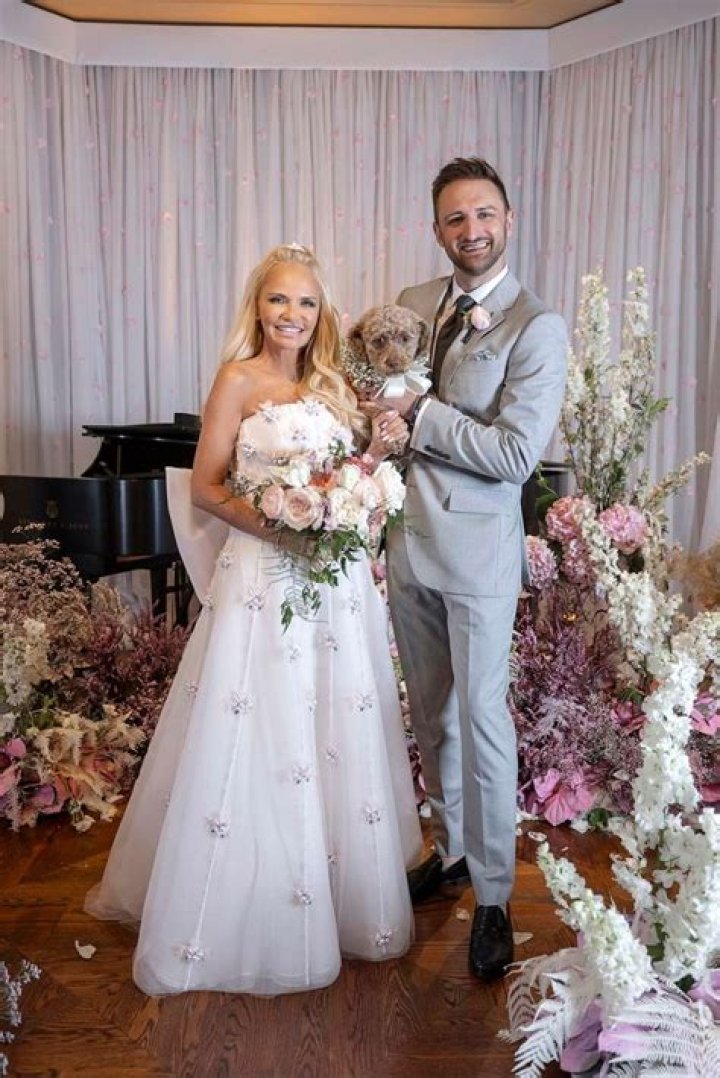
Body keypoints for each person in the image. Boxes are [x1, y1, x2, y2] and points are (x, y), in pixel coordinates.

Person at [85, 243, 423, 996]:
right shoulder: (236, 379)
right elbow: (206, 488)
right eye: (278, 300)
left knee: (331, 725)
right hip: (266, 577)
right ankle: (244, 901)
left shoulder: (336, 385)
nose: (291, 315)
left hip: (334, 584)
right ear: (258, 308)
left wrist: (374, 461)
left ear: (320, 313)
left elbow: (346, 478)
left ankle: (337, 897)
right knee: (262, 722)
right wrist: (284, 532)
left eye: (305, 302)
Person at [384, 158, 568, 981]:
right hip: (406, 544)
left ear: (509, 219)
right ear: (437, 229)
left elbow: (515, 455)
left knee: (483, 721)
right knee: (430, 715)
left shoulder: (536, 326)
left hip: (480, 556)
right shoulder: (413, 303)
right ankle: (453, 849)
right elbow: (379, 397)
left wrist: (421, 415)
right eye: (456, 218)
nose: (472, 231)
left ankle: (494, 896)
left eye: (484, 214)